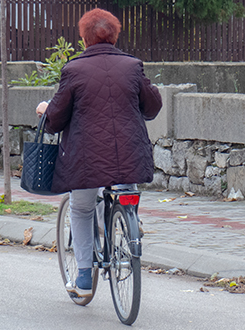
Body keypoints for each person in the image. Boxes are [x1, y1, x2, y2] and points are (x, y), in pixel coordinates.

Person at [35, 8, 162, 297]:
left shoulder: (74, 70)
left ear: (84, 39)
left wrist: (45, 110)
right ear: (115, 36)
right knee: (125, 188)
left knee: (81, 208)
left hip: (86, 159)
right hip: (130, 154)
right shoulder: (133, 66)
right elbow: (152, 107)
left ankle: (82, 278)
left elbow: (55, 119)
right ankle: (129, 217)